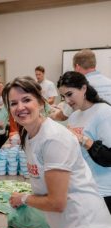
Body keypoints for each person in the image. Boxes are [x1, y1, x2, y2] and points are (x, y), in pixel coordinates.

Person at [5, 76, 111, 228]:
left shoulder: (53, 138)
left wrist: (24, 199)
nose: (20, 107)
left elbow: (57, 201)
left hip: (86, 227)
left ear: (41, 102)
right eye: (13, 103)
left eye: (26, 100)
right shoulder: (30, 135)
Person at [57, 71, 111, 213]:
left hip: (104, 192)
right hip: (83, 189)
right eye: (63, 97)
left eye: (69, 94)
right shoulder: (74, 116)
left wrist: (82, 139)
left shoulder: (104, 112)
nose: (67, 101)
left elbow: (109, 158)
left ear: (84, 88)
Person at [51, 48, 111, 121]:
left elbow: (63, 116)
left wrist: (50, 112)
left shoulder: (77, 87)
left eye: (69, 94)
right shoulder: (109, 82)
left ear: (77, 67)